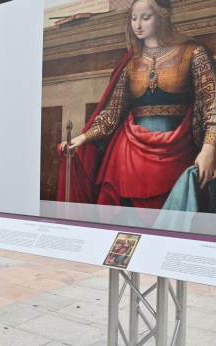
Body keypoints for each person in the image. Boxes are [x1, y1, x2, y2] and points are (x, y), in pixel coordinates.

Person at [57, 0, 216, 220]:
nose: (137, 25)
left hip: (177, 151)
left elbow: (212, 103)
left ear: (163, 15)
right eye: (133, 18)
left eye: (145, 17)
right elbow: (112, 112)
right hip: (127, 157)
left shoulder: (193, 52)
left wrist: (209, 148)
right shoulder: (131, 64)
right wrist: (83, 137)